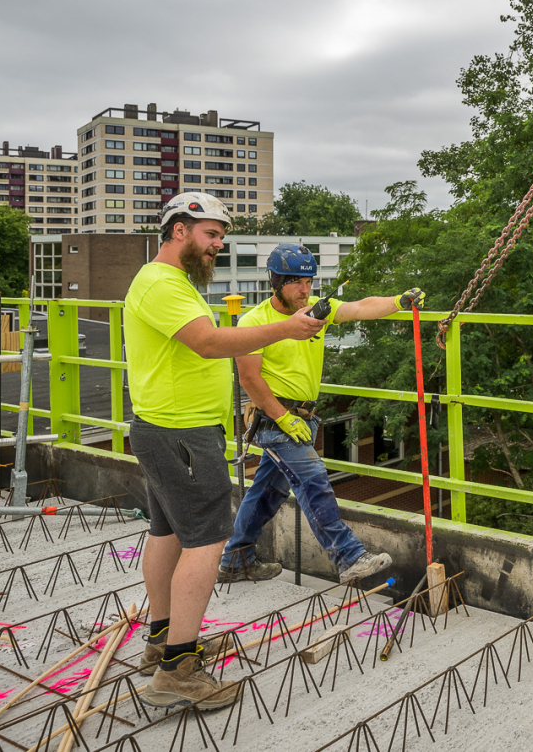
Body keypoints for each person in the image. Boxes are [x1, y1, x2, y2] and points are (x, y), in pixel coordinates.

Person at [124, 194, 327, 710]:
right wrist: (285, 328)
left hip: (168, 428)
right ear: (179, 231)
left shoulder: (171, 283)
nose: (219, 244)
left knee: (167, 531)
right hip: (182, 432)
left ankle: (162, 643)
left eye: (220, 235)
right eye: (211, 234)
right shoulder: (161, 284)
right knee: (207, 541)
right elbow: (210, 344)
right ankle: (178, 672)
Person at [218, 242, 422, 587]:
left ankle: (236, 560)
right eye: (297, 282)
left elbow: (359, 308)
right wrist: (283, 418)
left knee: (268, 491)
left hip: (303, 418)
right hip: (275, 418)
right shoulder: (255, 321)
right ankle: (350, 557)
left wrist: (398, 302)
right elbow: (250, 378)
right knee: (313, 480)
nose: (305, 289)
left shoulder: (316, 311)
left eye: (309, 282)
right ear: (276, 282)